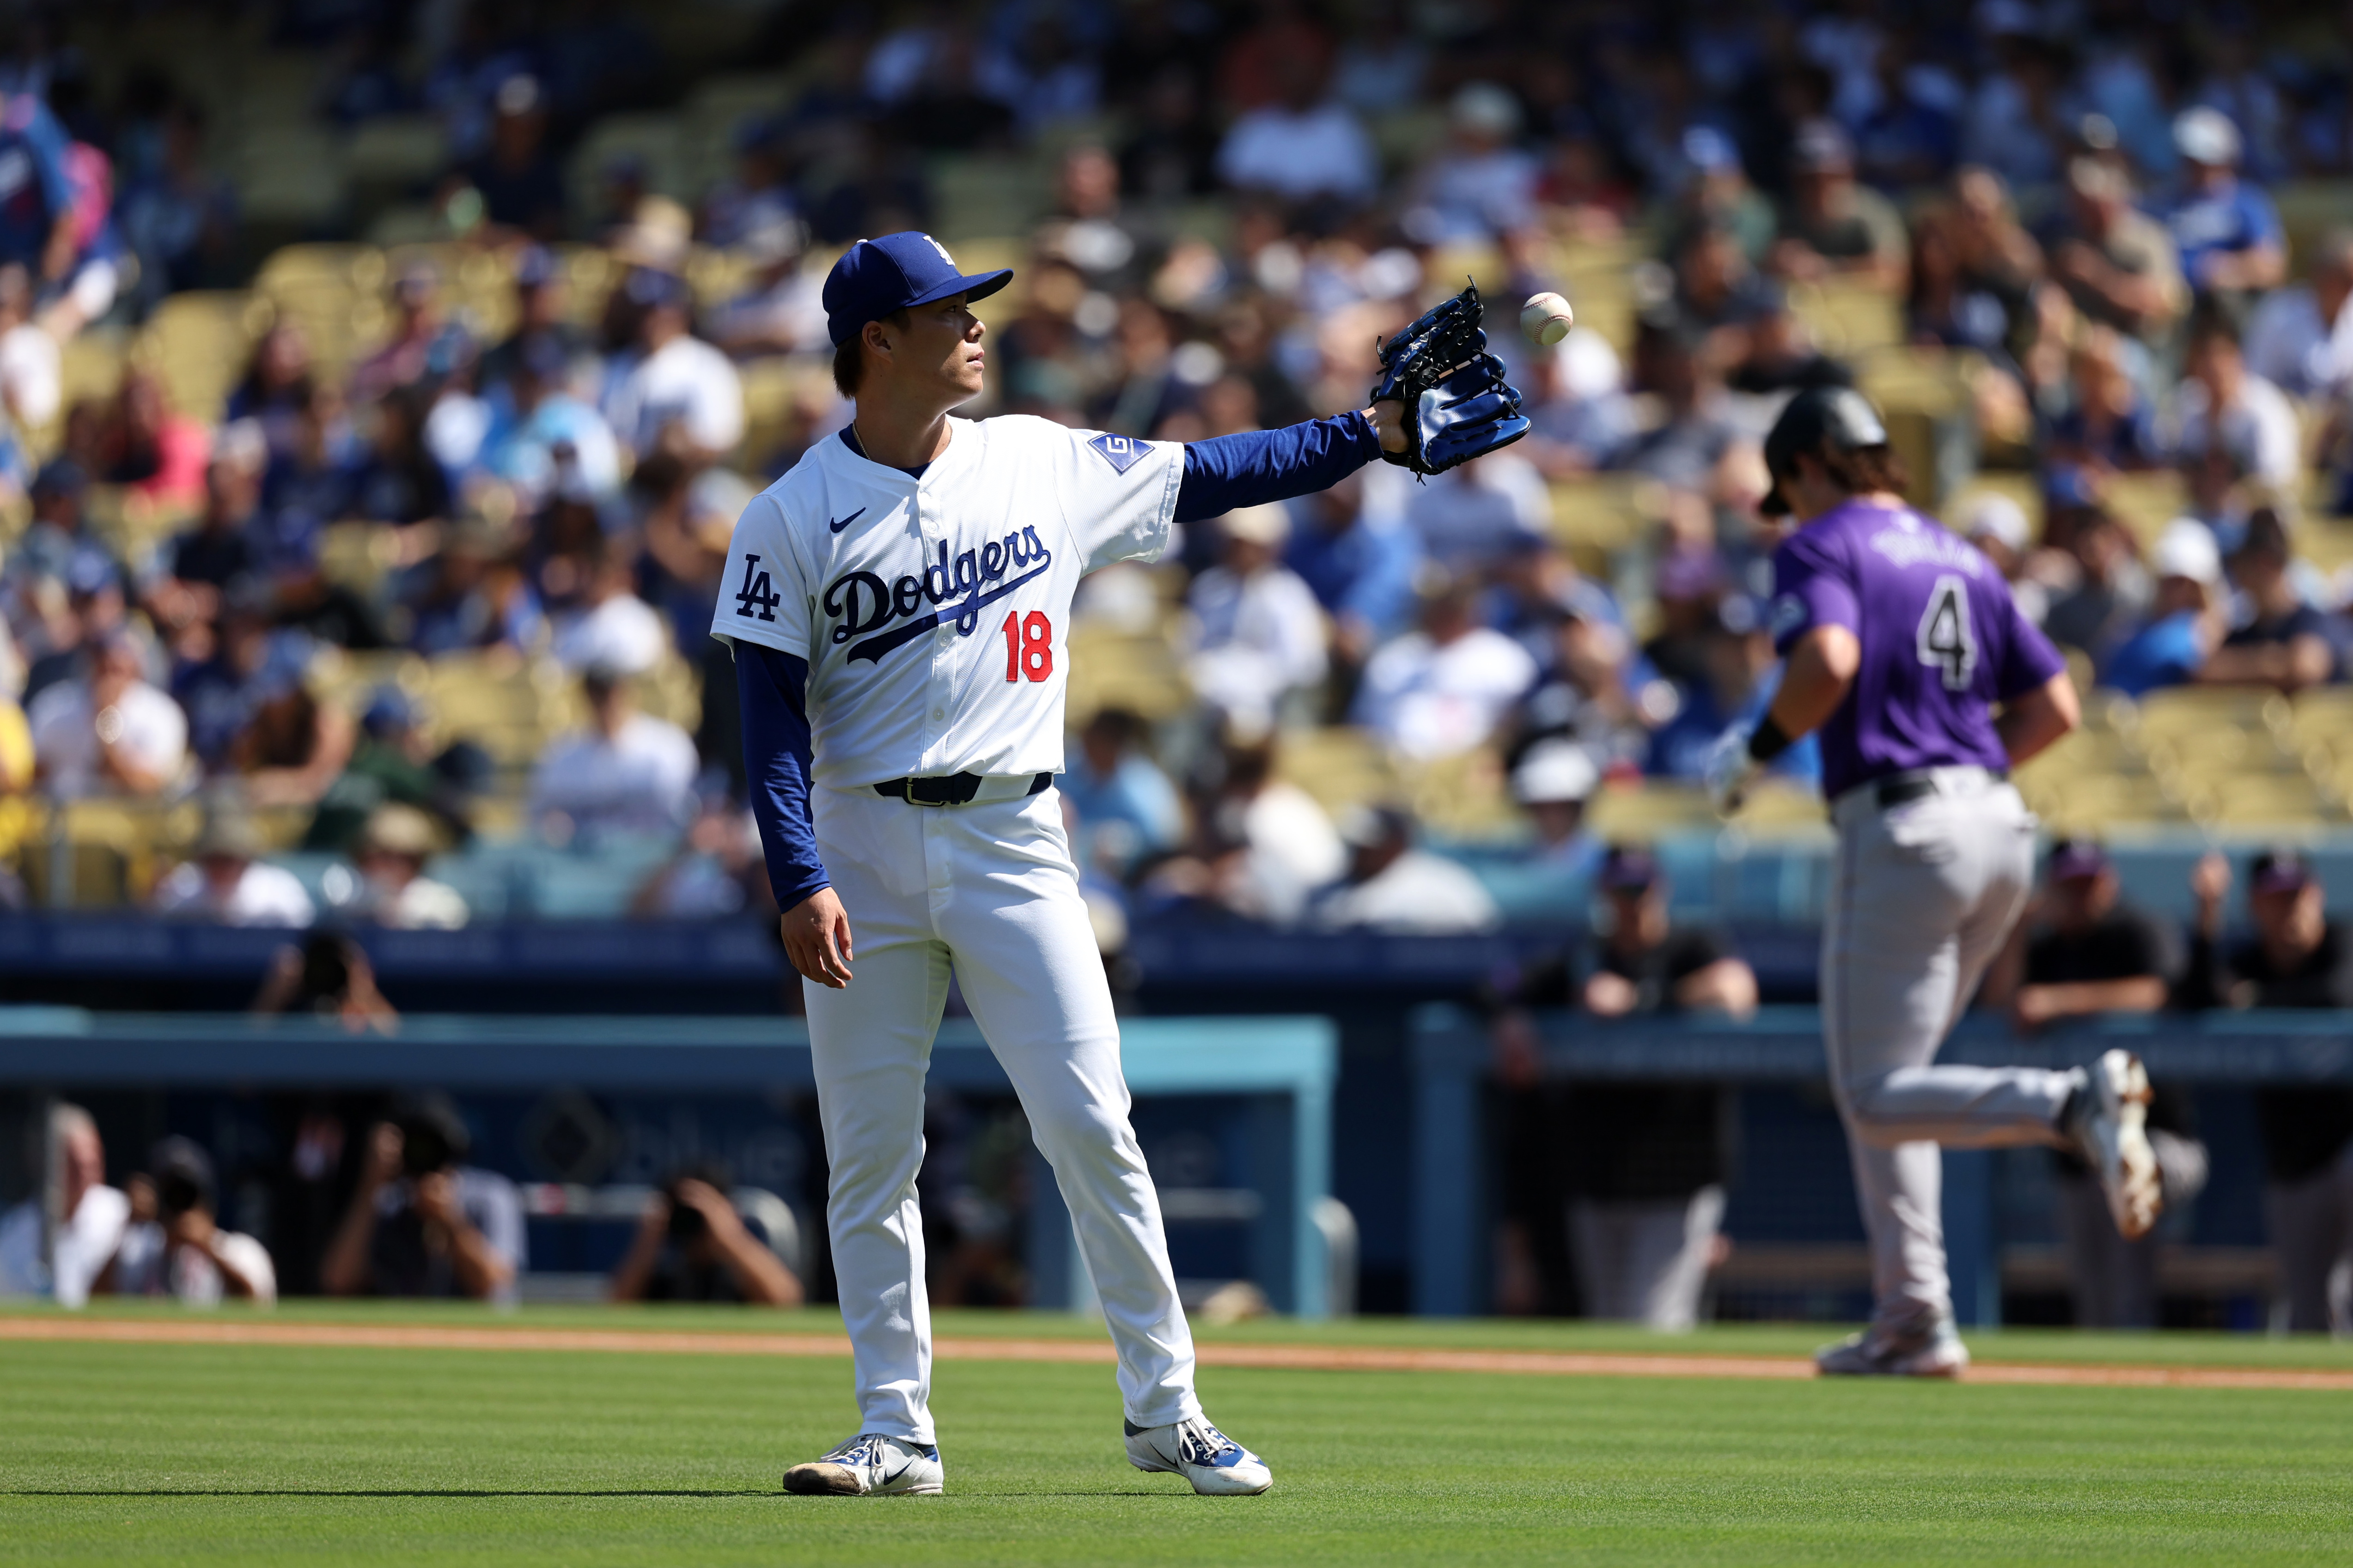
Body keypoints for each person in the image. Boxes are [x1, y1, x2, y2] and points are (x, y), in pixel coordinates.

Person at [713, 230, 1487, 1498]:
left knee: (1090, 1124)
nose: (974, 325)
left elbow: (1219, 471)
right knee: (869, 1153)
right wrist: (798, 876)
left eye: (973, 306)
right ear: (875, 344)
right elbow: (765, 722)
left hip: (1015, 837)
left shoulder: (1039, 460)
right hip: (859, 843)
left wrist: (1370, 433)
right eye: (946, 310)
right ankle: (894, 1430)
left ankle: (1166, 1409)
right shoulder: (789, 515)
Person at [1706, 386, 2159, 1377]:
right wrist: (1961, 766)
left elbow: (1825, 658)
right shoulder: (1959, 549)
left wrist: (1757, 747)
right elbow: (2055, 708)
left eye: (1788, 484)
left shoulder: (1822, 542)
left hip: (1903, 826)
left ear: (1812, 461)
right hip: (1997, 823)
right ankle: (1913, 1312)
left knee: (1871, 1092)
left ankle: (2064, 1102)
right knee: (1901, 1081)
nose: (1790, 504)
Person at [1979, 840, 2201, 1330]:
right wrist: (2016, 926)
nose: (2080, 896)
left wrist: (2061, 1002)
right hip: (2077, 1154)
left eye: (2089, 884)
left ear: (2110, 881)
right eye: (2069, 886)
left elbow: (2159, 991)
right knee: (2094, 1292)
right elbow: (1999, 1002)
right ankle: (2107, 1380)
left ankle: (2142, 1371)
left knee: (2130, 1206)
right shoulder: (2046, 947)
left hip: (2160, 1139)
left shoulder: (2137, 929)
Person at [1566, 846, 1753, 1330]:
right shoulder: (1587, 953)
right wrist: (1511, 1023)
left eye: (1639, 890)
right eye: (1619, 892)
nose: (1630, 903)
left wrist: (1643, 1000)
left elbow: (1735, 991)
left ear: (1659, 890)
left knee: (1655, 1321)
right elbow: (1500, 988)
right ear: (1601, 894)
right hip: (1599, 1172)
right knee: (1606, 1325)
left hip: (1679, 1173)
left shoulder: (1693, 945)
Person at [2175, 850, 2353, 1335]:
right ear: (2255, 905)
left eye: (2296, 896)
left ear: (2316, 896)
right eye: (2276, 899)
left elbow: (2337, 993)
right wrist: (2207, 920)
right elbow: (2194, 1000)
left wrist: (2253, 1001)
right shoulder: (2248, 958)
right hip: (2291, 1159)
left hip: (2346, 1146)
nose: (2289, 909)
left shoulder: (2340, 942)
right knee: (2307, 1309)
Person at [319, 1093, 523, 1303]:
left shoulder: (490, 1194)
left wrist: (450, 1220)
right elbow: (338, 1281)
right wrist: (370, 1186)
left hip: (477, 1331)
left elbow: (495, 1286)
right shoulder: (390, 1199)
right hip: (403, 1330)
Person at [1181, 504, 1328, 735]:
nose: (1237, 550)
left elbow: (1301, 666)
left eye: (1245, 544)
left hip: (1267, 706)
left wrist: (1246, 681)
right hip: (1205, 702)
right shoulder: (1209, 587)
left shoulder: (1288, 595)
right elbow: (1190, 647)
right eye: (1233, 542)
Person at [527, 666, 699, 840]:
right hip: (587, 862)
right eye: (598, 694)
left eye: (612, 692)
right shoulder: (562, 755)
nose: (607, 703)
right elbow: (540, 819)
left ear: (628, 692)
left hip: (656, 859)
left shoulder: (668, 746)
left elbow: (689, 816)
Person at [104, 1137, 276, 1306]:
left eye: (188, 1196)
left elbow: (258, 1310)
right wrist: (127, 1225)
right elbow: (98, 1303)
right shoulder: (138, 1253)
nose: (179, 1209)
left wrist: (208, 1247)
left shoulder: (241, 1251)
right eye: (170, 1196)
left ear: (207, 1202)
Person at [610, 1166, 803, 1305]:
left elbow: (785, 1300)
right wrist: (647, 1243)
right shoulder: (663, 1276)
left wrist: (730, 1237)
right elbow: (618, 1306)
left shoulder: (739, 1278)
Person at [28, 633, 188, 799]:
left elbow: (147, 788)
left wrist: (106, 724)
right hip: (66, 816)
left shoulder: (160, 713)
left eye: (117, 671)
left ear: (135, 672)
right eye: (102, 669)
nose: (109, 680)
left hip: (132, 818)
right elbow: (35, 777)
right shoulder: (54, 706)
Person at [0, 1103, 126, 1307]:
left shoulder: (123, 1215)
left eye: (93, 1162)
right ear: (45, 1161)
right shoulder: (11, 1233)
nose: (87, 1171)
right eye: (75, 1163)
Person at [1306, 804, 1499, 934]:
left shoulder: (1445, 886)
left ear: (1397, 844)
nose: (1359, 853)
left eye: (1368, 847)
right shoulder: (1325, 892)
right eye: (1354, 846)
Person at [2163, 107, 2285, 305]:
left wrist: (2225, 270)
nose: (2198, 169)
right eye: (2191, 161)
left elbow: (2272, 266)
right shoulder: (2166, 202)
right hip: (2177, 300)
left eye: (2206, 161)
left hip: (2232, 302)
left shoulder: (2248, 202)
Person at [2098, 519, 2225, 698]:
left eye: (2186, 582)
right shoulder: (2131, 625)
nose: (2177, 590)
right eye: (2170, 580)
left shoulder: (2202, 627)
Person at [150, 808, 316, 927]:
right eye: (214, 859)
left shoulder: (278, 891)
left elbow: (304, 935)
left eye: (228, 859)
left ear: (245, 860)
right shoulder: (184, 886)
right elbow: (157, 927)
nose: (221, 867)